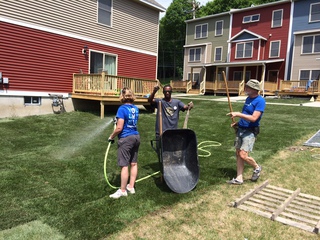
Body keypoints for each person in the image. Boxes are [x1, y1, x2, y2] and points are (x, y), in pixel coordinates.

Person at [226, 79, 266, 185]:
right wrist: (238, 123)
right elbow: (246, 114)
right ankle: (239, 178)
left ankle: (257, 167)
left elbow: (253, 118)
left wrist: (238, 114)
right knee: (238, 154)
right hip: (241, 129)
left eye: (247, 87)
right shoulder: (248, 98)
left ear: (254, 89)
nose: (245, 89)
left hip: (250, 131)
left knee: (243, 155)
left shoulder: (260, 101)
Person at [148, 84, 193, 163]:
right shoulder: (160, 102)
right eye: (165, 91)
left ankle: (170, 166)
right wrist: (154, 91)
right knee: (161, 152)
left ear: (171, 92)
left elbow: (185, 107)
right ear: (163, 92)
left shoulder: (177, 102)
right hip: (161, 131)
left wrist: (189, 106)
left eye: (169, 91)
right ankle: (163, 168)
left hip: (172, 132)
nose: (167, 93)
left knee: (172, 151)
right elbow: (150, 101)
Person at [108, 87, 140, 199]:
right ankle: (131, 186)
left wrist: (111, 136)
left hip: (126, 138)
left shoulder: (121, 109)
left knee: (124, 165)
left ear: (122, 96)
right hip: (136, 136)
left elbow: (119, 128)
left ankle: (122, 190)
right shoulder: (136, 108)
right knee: (134, 163)